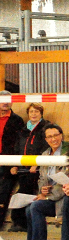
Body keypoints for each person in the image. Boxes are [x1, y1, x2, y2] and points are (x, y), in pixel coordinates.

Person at [20, 124, 69, 240]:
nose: (53, 139)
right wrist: (42, 190)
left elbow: (67, 180)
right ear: (46, 139)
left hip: (64, 198)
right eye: (50, 137)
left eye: (56, 135)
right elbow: (42, 178)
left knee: (36, 207)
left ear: (61, 136)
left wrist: (47, 196)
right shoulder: (45, 154)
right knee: (29, 208)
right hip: (49, 195)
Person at [8, 103, 49, 232]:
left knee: (25, 192)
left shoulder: (45, 128)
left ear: (41, 113)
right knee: (23, 192)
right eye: (31, 112)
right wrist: (14, 164)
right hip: (23, 168)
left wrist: (37, 162)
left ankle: (22, 222)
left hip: (37, 168)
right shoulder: (23, 130)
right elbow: (17, 147)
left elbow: (45, 146)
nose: (33, 114)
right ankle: (21, 221)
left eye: (36, 111)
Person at [0, 91, 25, 229]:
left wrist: (15, 163)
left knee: (3, 194)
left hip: (8, 161)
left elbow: (19, 144)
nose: (6, 102)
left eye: (9, 100)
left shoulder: (17, 120)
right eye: (3, 100)